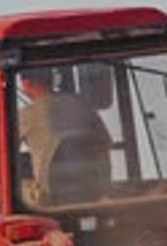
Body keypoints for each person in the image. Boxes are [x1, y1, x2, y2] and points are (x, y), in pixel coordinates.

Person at [18, 67, 112, 205]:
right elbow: (105, 143)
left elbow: (3, 150)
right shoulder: (83, 105)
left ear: (27, 84)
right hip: (92, 192)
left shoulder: (26, 115)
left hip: (47, 197)